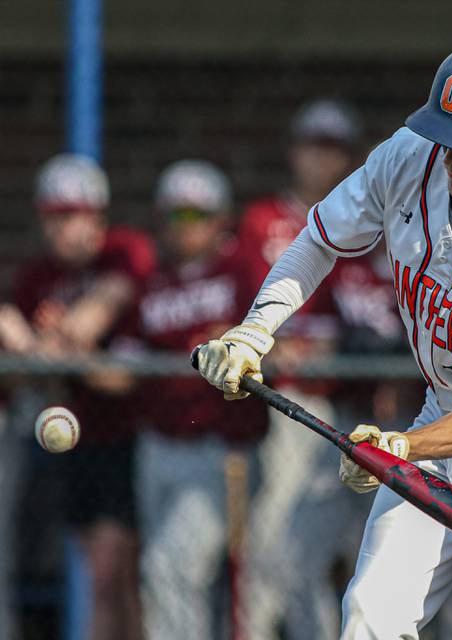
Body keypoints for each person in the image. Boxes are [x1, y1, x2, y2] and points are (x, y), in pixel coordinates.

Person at [196, 35, 452, 639]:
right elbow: (319, 239)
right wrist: (254, 330)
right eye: (449, 137)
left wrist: (405, 449)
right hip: (443, 408)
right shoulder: (409, 155)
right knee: (371, 614)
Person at [9, 153, 155, 640]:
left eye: (71, 215)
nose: (60, 228)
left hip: (125, 438)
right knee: (106, 578)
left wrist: (65, 344)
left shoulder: (123, 253)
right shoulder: (37, 276)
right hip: (75, 444)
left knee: (115, 574)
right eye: (52, 216)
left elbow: (122, 378)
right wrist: (52, 349)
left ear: (97, 217)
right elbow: (40, 367)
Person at [236, 98, 365, 640]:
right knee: (272, 548)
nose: (320, 159)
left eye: (332, 148)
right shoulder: (263, 219)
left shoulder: (368, 224)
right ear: (295, 151)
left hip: (360, 407)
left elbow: (374, 314)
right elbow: (242, 302)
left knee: (349, 555)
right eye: (313, 145)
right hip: (286, 405)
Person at [132, 160, 267, 640]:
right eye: (175, 215)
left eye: (197, 215)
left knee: (172, 567)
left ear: (220, 219)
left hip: (222, 449)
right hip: (159, 445)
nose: (185, 227)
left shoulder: (243, 270)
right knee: (173, 575)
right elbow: (130, 357)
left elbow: (283, 341)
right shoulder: (151, 276)